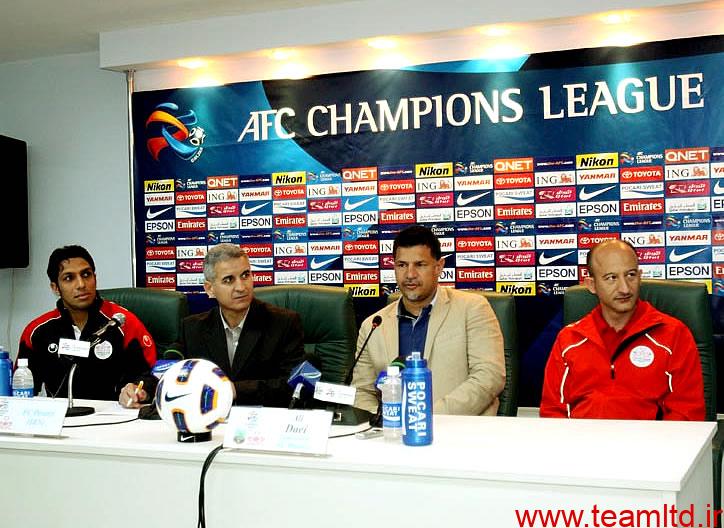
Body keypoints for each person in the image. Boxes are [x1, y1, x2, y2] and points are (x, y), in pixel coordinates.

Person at [122, 243, 305, 408]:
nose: (241, 287)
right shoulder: (193, 328)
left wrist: (235, 390)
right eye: (228, 280)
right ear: (209, 289)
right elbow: (166, 371)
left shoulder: (283, 323)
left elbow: (298, 384)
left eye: (245, 275)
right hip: (208, 421)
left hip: (263, 422)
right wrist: (141, 389)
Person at [540, 239, 705, 420]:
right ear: (591, 285)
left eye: (631, 275)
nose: (625, 288)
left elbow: (687, 414)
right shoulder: (569, 339)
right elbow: (552, 412)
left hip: (653, 438)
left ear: (640, 277)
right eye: (611, 278)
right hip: (583, 438)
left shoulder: (674, 334)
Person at [351, 225, 505, 415]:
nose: (410, 274)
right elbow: (362, 392)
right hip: (391, 429)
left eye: (420, 265)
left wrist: (425, 417)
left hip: (459, 428)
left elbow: (489, 377)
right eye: (402, 265)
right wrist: (386, 419)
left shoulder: (472, 309)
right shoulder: (373, 325)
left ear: (438, 267)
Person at [17, 245, 156, 401]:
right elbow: (21, 389)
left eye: (86, 275)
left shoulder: (122, 322)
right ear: (55, 287)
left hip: (115, 413)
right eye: (69, 278)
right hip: (61, 414)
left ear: (95, 278)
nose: (81, 284)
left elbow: (152, 377)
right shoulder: (37, 331)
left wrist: (138, 390)